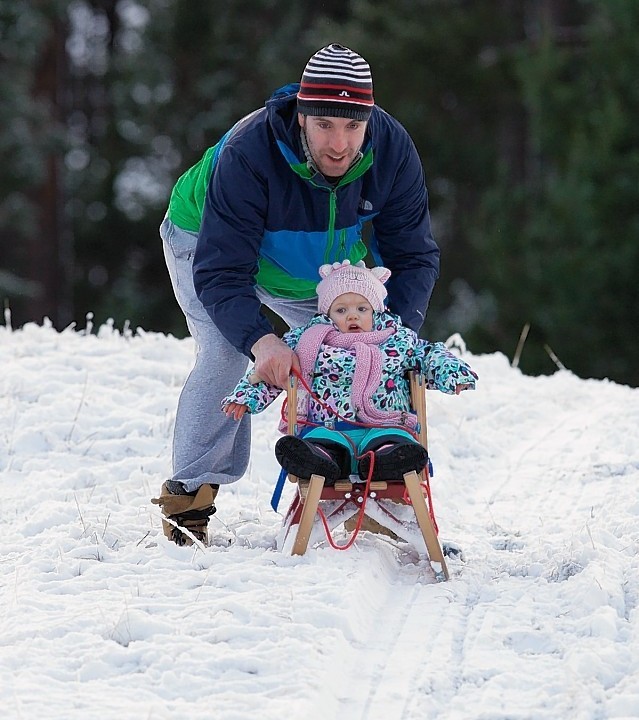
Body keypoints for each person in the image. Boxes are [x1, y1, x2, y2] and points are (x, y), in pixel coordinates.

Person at [153, 43, 441, 546]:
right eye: (325, 124)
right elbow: (223, 272)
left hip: (314, 257)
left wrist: (393, 336)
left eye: (353, 126)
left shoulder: (391, 150)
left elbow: (413, 256)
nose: (339, 143)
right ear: (302, 115)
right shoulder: (250, 152)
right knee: (226, 353)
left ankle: (348, 469)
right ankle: (189, 499)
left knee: (347, 348)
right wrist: (262, 342)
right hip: (208, 239)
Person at [222, 261, 477, 487]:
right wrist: (246, 396)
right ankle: (318, 460)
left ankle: (389, 460)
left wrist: (453, 374)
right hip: (327, 428)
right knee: (319, 443)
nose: (352, 315)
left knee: (394, 443)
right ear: (327, 314)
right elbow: (275, 368)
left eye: (362, 309)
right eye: (341, 310)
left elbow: (429, 355)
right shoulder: (309, 342)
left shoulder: (396, 340)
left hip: (385, 427)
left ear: (376, 311)